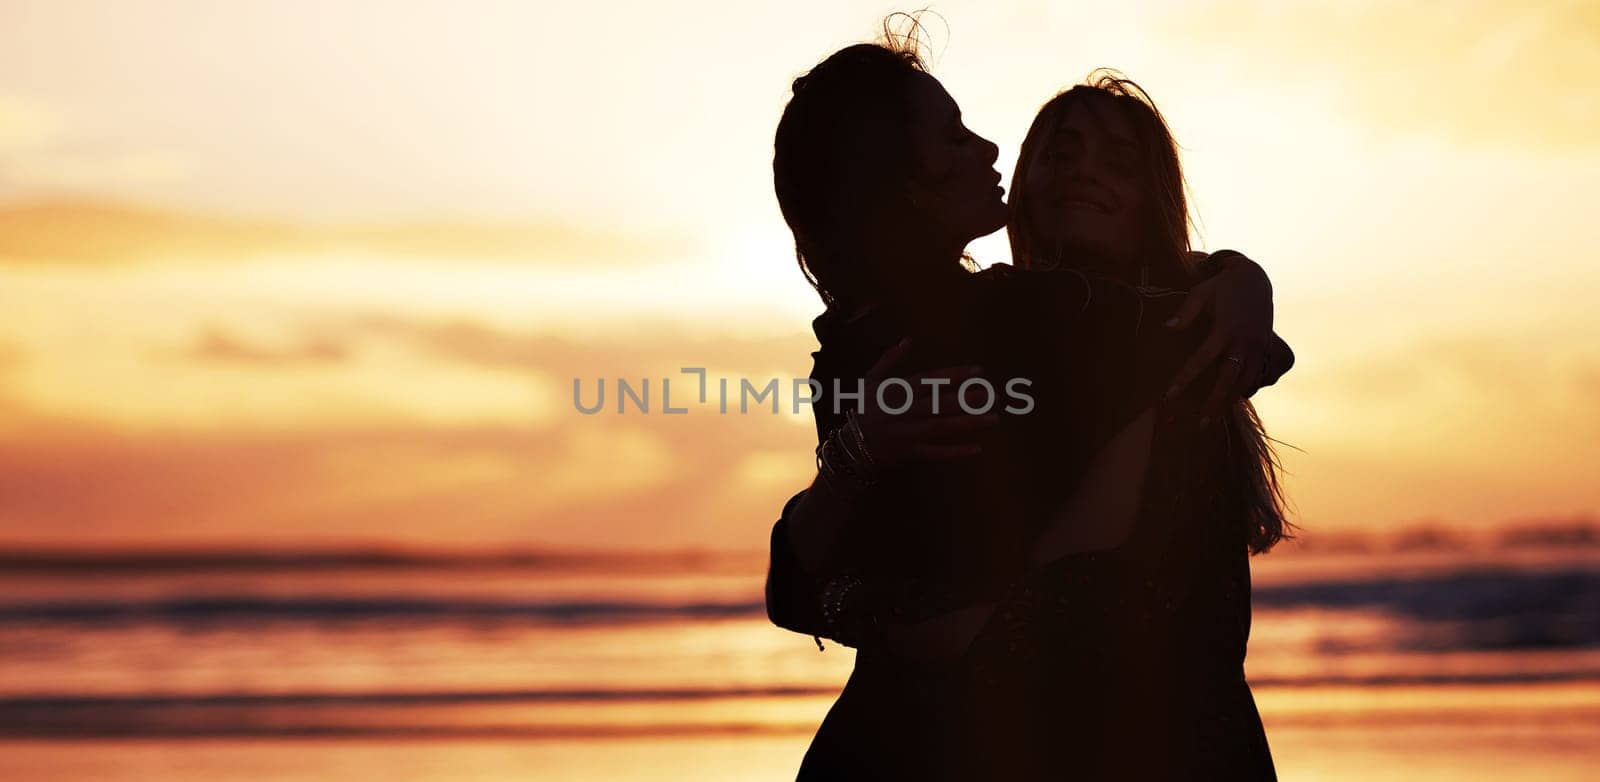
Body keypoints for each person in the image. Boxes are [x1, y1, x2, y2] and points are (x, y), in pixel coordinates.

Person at [765, 30, 1289, 780]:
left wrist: (1239, 281)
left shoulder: (1143, 344)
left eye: (1122, 163)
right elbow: (799, 586)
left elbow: (818, 589)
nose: (988, 148)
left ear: (1157, 198)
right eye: (1062, 153)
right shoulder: (926, 344)